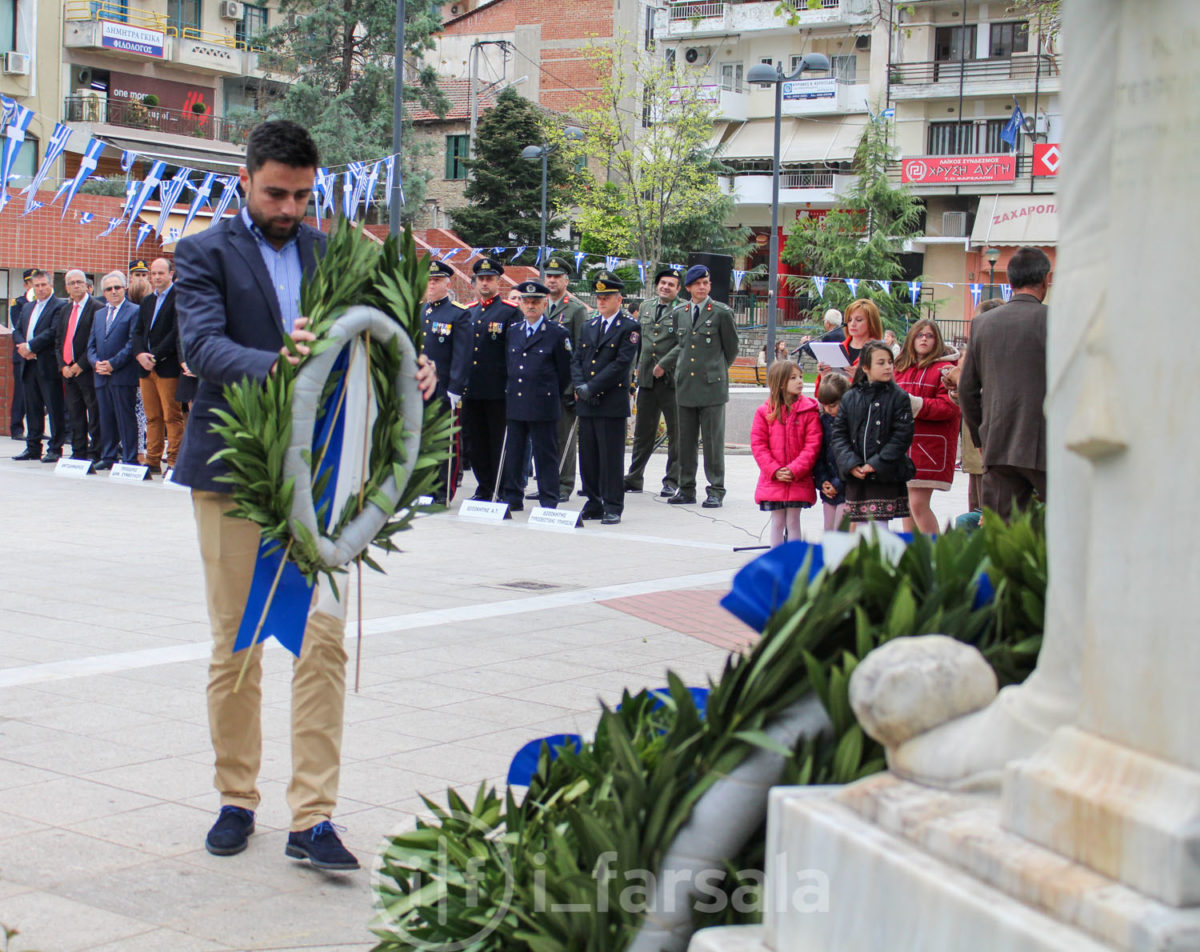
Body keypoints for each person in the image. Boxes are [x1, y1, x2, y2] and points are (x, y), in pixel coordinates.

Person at [173, 119, 436, 871]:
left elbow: (380, 339)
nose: (289, 208)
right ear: (245, 183)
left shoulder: (336, 255)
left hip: (326, 485)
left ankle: (313, 817)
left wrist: (414, 374)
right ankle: (236, 799)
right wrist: (283, 366)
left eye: (302, 195)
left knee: (322, 647)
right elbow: (202, 347)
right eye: (275, 193)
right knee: (238, 644)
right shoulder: (201, 254)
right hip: (231, 474)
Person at [958, 246, 1050, 519]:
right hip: (1046, 441)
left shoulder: (983, 324)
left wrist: (980, 436)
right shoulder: (1055, 320)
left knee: (1000, 534)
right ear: (1045, 279)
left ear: (1009, 283)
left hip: (998, 441)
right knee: (1060, 530)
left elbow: (967, 389)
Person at [659, 264, 739, 508]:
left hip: (712, 387)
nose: (702, 287)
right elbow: (681, 345)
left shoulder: (721, 312)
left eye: (706, 283)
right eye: (698, 284)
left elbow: (731, 349)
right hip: (685, 385)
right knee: (685, 441)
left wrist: (715, 369)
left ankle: (716, 489)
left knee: (713, 443)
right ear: (689, 288)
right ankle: (686, 488)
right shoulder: (680, 311)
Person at [571, 272, 638, 525]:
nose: (601, 301)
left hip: (610, 401)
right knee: (588, 456)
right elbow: (577, 359)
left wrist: (593, 387)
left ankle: (612, 505)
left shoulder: (629, 327)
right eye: (599, 297)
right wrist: (580, 385)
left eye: (607, 297)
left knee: (610, 457)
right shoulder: (589, 325)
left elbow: (621, 365)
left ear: (619, 299)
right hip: (587, 400)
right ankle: (593, 501)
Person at [499, 281, 572, 512]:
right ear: (520, 304)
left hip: (543, 402)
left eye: (536, 302)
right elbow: (508, 365)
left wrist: (549, 392)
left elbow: (564, 371)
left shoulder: (557, 333)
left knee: (545, 454)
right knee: (515, 452)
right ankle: (512, 496)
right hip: (517, 402)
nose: (531, 306)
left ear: (544, 304)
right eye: (526, 301)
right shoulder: (513, 331)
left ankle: (549, 499)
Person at [828, 340, 915, 525]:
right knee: (859, 527)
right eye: (881, 363)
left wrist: (877, 463)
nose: (888, 367)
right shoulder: (851, 396)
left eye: (890, 362)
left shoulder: (899, 397)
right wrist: (851, 463)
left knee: (879, 528)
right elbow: (839, 434)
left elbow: (902, 436)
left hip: (884, 474)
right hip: (857, 475)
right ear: (866, 367)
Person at [893, 318, 961, 534]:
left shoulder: (946, 369)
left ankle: (935, 554)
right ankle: (912, 556)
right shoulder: (900, 367)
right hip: (902, 445)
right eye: (920, 334)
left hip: (929, 447)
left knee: (918, 504)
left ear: (937, 340)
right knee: (905, 507)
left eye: (929, 335)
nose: (924, 339)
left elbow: (949, 407)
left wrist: (915, 404)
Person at [461, 257, 521, 502]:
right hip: (472, 390)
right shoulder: (467, 312)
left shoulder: (509, 312)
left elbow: (514, 352)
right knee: (476, 443)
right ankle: (484, 486)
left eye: (489, 279)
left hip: (498, 390)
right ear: (474, 282)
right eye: (480, 279)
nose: (484, 283)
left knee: (499, 442)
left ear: (498, 282)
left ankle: (504, 487)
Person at [624, 267, 682, 497]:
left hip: (672, 380)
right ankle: (634, 476)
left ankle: (672, 480)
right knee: (642, 433)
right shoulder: (646, 307)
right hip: (647, 378)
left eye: (671, 284)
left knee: (676, 434)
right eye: (662, 283)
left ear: (678, 289)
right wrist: (633, 371)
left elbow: (684, 342)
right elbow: (637, 342)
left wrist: (665, 365)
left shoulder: (683, 309)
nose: (665, 287)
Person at [751, 359, 822, 547]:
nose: (800, 381)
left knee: (793, 521)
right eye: (793, 378)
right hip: (773, 479)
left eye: (800, 377)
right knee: (778, 522)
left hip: (798, 478)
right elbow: (758, 445)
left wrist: (794, 469)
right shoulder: (764, 412)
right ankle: (777, 561)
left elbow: (813, 444)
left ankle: (794, 562)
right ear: (780, 383)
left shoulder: (809, 411)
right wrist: (774, 470)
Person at [421, 259, 472, 505]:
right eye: (429, 281)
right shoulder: (420, 312)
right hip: (419, 388)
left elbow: (462, 356)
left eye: (436, 281)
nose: (431, 286)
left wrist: (455, 388)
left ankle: (442, 492)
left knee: (444, 442)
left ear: (447, 283)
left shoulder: (457, 314)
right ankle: (423, 489)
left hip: (443, 389)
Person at [131, 257, 183, 474]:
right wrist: (140, 354)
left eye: (161, 273)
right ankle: (152, 460)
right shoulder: (147, 301)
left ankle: (174, 460)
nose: (156, 277)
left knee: (172, 416)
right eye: (153, 273)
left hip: (167, 366)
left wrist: (155, 356)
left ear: (171, 274)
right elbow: (138, 331)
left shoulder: (179, 298)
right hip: (145, 369)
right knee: (152, 417)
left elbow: (176, 332)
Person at [543, 257, 589, 501]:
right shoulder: (540, 305)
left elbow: (581, 351)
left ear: (566, 280)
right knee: (544, 437)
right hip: (542, 385)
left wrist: (574, 386)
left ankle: (563, 484)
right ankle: (547, 483)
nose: (551, 280)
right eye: (549, 276)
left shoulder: (576, 309)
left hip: (564, 385)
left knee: (564, 438)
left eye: (556, 276)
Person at [11, 269, 67, 463]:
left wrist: (30, 346)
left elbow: (53, 332)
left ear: (51, 285)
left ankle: (55, 448)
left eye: (44, 284)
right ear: (32, 287)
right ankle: (33, 447)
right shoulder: (28, 307)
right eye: (37, 285)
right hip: (28, 364)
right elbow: (17, 330)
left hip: (47, 364)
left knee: (53, 407)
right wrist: (22, 346)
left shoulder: (60, 305)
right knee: (32, 407)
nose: (41, 288)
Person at [88, 271, 141, 469]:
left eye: (117, 287)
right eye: (109, 289)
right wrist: (96, 363)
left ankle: (129, 457)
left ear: (124, 288)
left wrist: (112, 364)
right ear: (104, 292)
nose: (113, 291)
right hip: (101, 375)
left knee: (125, 417)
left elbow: (131, 344)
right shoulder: (99, 313)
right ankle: (109, 456)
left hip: (122, 374)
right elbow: (91, 344)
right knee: (106, 417)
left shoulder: (134, 311)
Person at [56, 269, 103, 463]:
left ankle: (96, 451)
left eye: (80, 282)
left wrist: (80, 364)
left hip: (87, 370)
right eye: (72, 283)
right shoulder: (65, 309)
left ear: (87, 285)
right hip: (67, 371)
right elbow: (59, 340)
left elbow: (97, 341)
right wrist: (63, 366)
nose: (76, 285)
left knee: (94, 413)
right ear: (66, 287)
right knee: (75, 413)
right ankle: (78, 451)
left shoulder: (97, 308)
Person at [813, 373, 850, 532]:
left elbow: (851, 457)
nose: (828, 410)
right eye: (824, 405)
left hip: (847, 487)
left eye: (833, 405)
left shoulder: (851, 423)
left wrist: (838, 483)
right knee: (828, 530)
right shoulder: (823, 420)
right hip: (828, 487)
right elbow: (818, 455)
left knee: (841, 532)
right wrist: (822, 481)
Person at [817, 298, 883, 380]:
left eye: (859, 320)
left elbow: (885, 387)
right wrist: (824, 376)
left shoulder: (879, 351)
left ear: (871, 323)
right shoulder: (838, 349)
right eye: (849, 320)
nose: (852, 324)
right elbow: (822, 392)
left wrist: (860, 379)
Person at [7, 268, 34, 440]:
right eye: (31, 282)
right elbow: (19, 327)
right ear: (26, 284)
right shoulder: (18, 303)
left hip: (38, 355)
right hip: (22, 355)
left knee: (36, 396)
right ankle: (16, 428)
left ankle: (35, 430)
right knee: (20, 393)